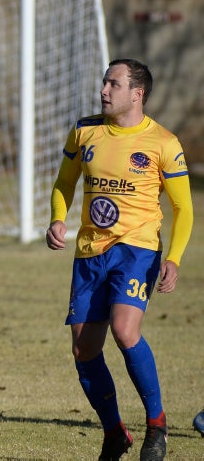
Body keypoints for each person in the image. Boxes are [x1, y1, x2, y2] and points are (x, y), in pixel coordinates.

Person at [46, 58, 192, 461]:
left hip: (137, 248)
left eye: (113, 83)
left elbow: (184, 208)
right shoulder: (85, 130)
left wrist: (174, 259)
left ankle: (157, 425)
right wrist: (57, 219)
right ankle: (115, 433)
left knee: (125, 330)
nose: (104, 90)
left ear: (136, 94)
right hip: (91, 251)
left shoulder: (164, 142)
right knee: (84, 350)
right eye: (104, 82)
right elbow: (64, 182)